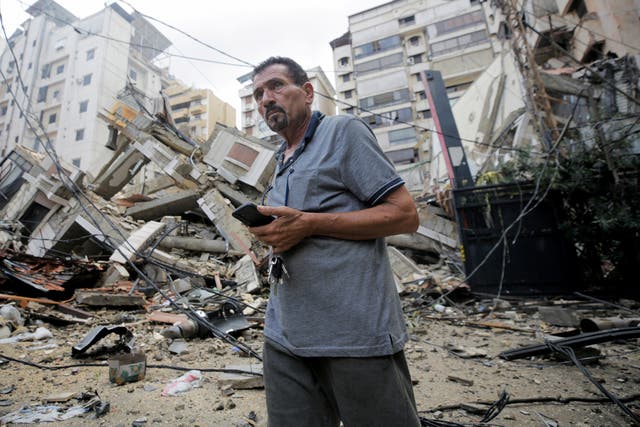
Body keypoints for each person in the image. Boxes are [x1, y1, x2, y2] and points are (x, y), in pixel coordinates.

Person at [249, 56, 421, 427]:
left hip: (352, 333)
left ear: (307, 92)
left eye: (276, 86)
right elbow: (298, 227)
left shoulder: (343, 132)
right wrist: (273, 243)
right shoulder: (281, 159)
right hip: (285, 333)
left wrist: (310, 225)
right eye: (258, 94)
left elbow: (405, 214)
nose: (266, 99)